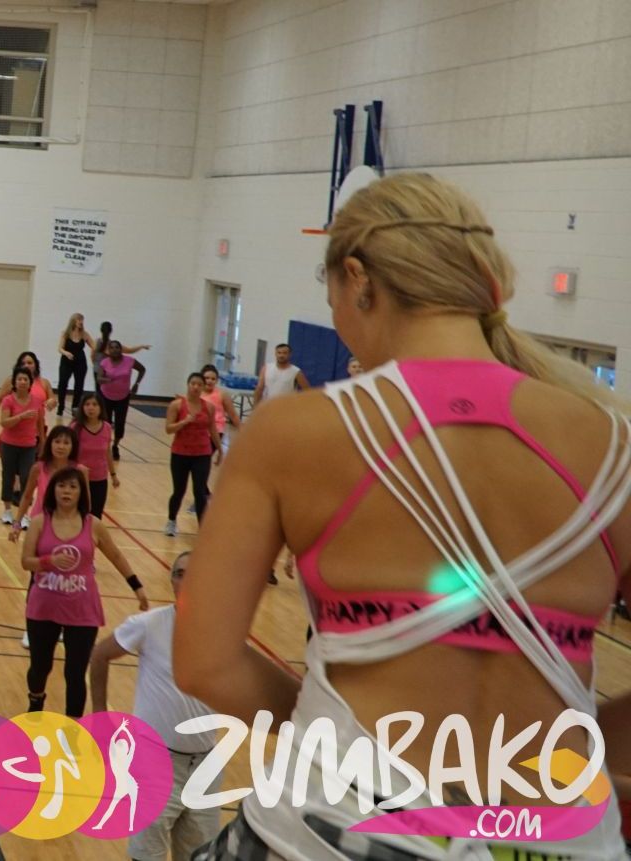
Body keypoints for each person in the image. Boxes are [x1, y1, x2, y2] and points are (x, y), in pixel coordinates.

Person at [176, 173, 631, 860]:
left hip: (347, 820)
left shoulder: (296, 431)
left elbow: (205, 664)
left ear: (359, 278)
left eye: (330, 292)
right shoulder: (613, 445)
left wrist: (328, 732)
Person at [88, 551, 219, 861]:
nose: (186, 580)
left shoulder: (224, 633)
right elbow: (100, 655)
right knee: (146, 855)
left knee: (201, 855)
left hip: (206, 766)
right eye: (179, 574)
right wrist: (100, 719)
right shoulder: (149, 624)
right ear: (172, 581)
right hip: (154, 763)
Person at [20, 467, 148, 716]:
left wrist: (137, 586)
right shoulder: (39, 522)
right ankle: (36, 700)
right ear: (53, 490)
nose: (66, 491)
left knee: (75, 672)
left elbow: (115, 555)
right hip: (44, 606)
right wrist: (48, 561)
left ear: (81, 492)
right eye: (61, 486)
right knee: (40, 667)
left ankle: (73, 725)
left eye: (72, 486)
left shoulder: (94, 525)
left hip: (82, 608)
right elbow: (26, 562)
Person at [10, 425, 89, 539]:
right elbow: (27, 497)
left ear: (73, 446)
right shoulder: (38, 468)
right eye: (57, 441)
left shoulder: (81, 471)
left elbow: (86, 503)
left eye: (66, 443)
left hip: (69, 526)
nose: (61, 446)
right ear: (50, 443)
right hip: (40, 524)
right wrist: (17, 524)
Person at [0, 366, 47, 526]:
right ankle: (7, 510)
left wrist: (42, 442)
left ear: (30, 383)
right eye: (19, 379)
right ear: (14, 382)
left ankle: (23, 514)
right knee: (8, 476)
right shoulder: (8, 400)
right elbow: (5, 422)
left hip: (29, 446)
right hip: (9, 444)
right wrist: (21, 416)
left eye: (25, 379)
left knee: (26, 477)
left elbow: (40, 423)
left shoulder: (37, 401)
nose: (22, 382)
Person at [162, 373, 214, 538]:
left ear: (203, 387)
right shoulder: (177, 405)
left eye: (199, 384)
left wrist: (219, 449)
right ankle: (171, 521)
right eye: (193, 383)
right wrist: (184, 421)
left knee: (200, 491)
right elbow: (168, 429)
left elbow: (212, 429)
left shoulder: (209, 407)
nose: (196, 387)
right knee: (179, 490)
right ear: (188, 384)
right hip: (180, 453)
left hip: (202, 453)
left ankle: (203, 529)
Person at [94, 341, 146, 461]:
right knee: (106, 423)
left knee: (120, 424)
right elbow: (99, 378)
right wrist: (106, 380)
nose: (115, 350)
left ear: (121, 349)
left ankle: (115, 445)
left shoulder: (129, 361)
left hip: (123, 397)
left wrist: (137, 384)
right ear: (108, 351)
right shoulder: (105, 362)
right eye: (112, 348)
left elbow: (142, 369)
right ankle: (105, 447)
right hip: (106, 396)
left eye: (117, 347)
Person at [72, 394, 119, 516]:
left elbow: (107, 452)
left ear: (100, 408)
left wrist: (113, 475)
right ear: (82, 407)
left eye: (94, 404)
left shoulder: (107, 427)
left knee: (96, 515)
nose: (90, 408)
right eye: (87, 404)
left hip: (100, 479)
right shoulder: (75, 427)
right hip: (78, 479)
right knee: (78, 515)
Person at [55, 313, 97, 417]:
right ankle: (61, 406)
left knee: (79, 385)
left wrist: (96, 353)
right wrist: (66, 353)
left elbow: (94, 346)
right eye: (79, 319)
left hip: (80, 362)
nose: (81, 322)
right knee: (62, 383)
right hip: (66, 361)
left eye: (82, 320)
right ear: (73, 321)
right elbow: (60, 348)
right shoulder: (65, 333)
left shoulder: (84, 334)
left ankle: (75, 407)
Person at [199, 366, 242, 464]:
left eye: (213, 379)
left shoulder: (222, 395)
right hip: (199, 430)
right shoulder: (197, 393)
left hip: (216, 431)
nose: (210, 381)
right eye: (207, 378)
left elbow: (233, 414)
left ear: (217, 380)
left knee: (204, 457)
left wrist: (241, 430)